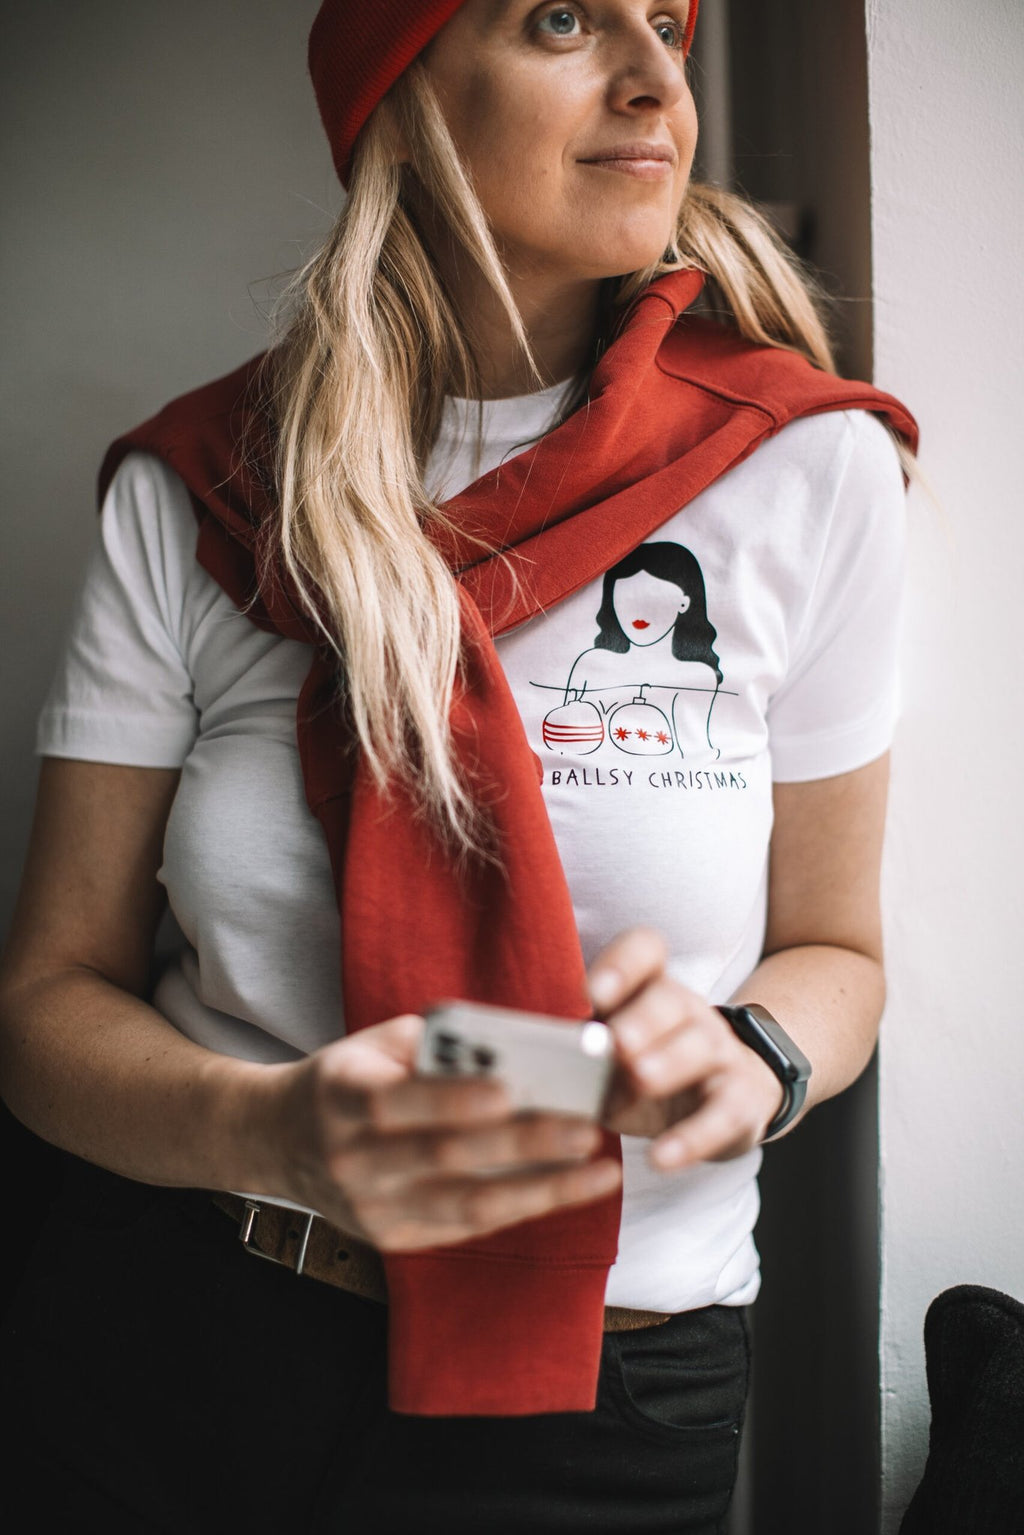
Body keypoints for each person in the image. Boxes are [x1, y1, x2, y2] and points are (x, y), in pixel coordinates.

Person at [0, 2, 917, 1531]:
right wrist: (273, 1127)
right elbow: (44, 1003)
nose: (651, 79)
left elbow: (838, 948)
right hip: (175, 1351)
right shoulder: (204, 486)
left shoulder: (804, 468)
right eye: (563, 15)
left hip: (606, 1401)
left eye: (670, 25)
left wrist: (754, 1056)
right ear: (400, 87)